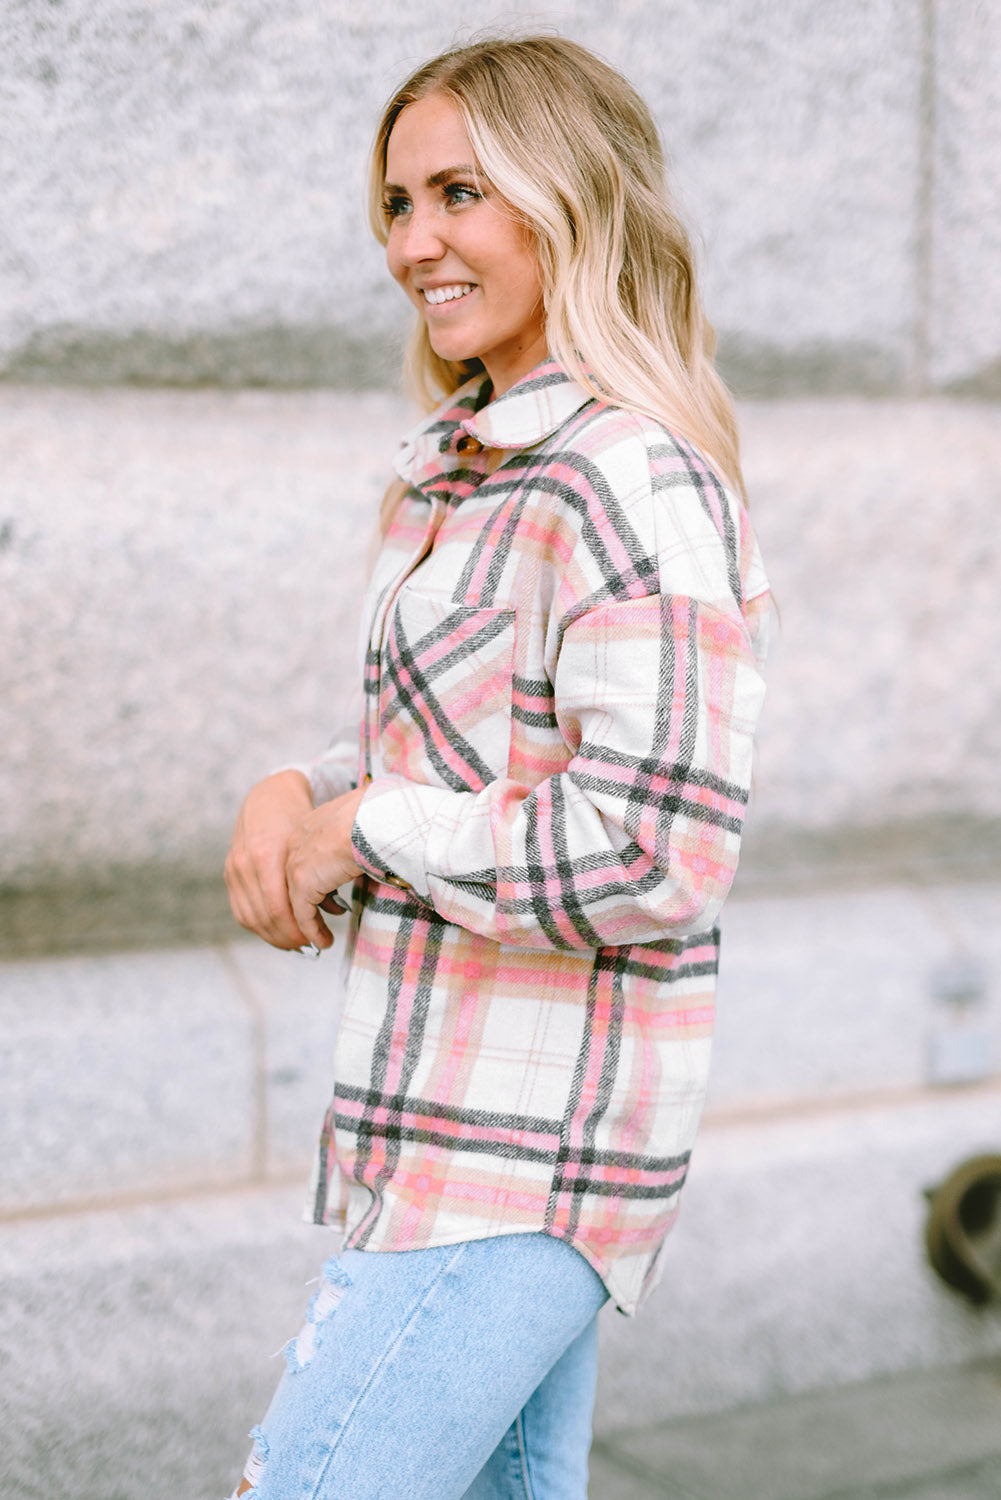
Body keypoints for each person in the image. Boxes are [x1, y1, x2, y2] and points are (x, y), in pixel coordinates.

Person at [223, 33, 770, 1500]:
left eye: (459, 192)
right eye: (396, 205)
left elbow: (657, 850)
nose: (415, 243)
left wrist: (371, 828)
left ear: (568, 197)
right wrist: (302, 787)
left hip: (523, 1157)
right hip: (442, 1129)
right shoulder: (468, 471)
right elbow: (465, 737)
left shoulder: (628, 478)